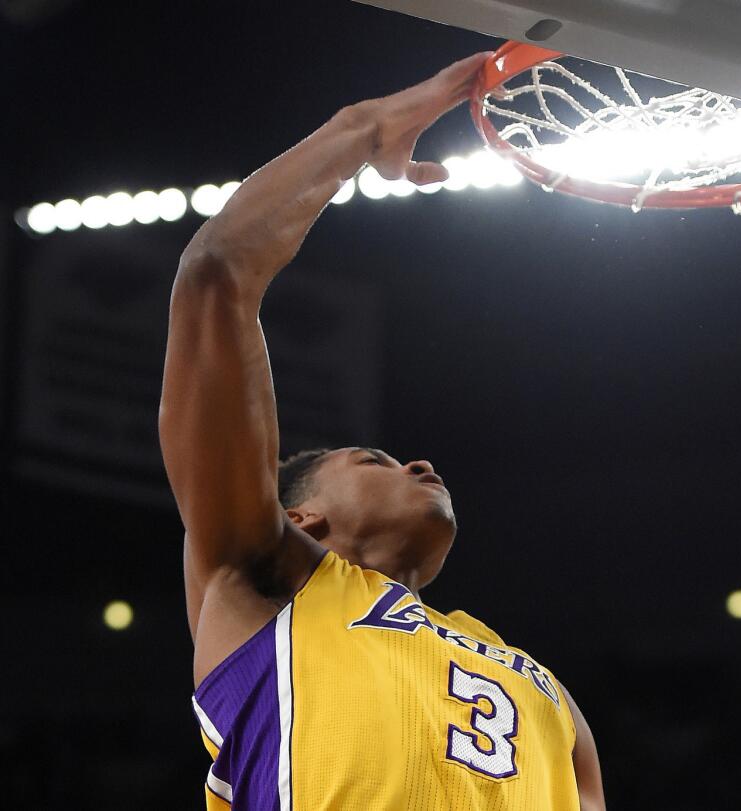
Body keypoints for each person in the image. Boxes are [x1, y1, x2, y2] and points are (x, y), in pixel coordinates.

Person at [159, 52, 604, 810]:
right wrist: (360, 129)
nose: (421, 462)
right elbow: (217, 274)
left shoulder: (543, 687)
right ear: (301, 517)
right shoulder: (260, 577)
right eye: (375, 459)